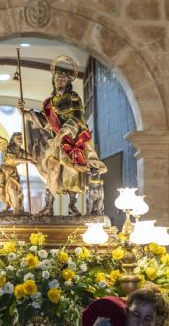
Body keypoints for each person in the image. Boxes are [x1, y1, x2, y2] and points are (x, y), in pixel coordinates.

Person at [17, 56, 107, 216]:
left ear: (68, 81)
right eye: (57, 78)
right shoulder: (48, 102)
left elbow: (78, 118)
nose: (60, 80)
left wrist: (62, 133)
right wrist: (25, 113)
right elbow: (46, 122)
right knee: (53, 169)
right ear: (54, 81)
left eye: (63, 77)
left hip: (71, 140)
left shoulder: (73, 97)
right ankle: (48, 206)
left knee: (71, 172)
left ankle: (72, 206)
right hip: (55, 142)